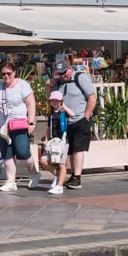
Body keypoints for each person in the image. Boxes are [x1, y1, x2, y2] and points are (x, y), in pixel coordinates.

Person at [0, 62, 39, 193]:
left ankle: (33, 172)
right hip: (3, 125)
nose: (6, 76)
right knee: (7, 154)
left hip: (19, 124)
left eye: (8, 73)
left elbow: (31, 104)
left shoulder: (23, 85)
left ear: (14, 72)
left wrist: (31, 122)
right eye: (3, 74)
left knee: (23, 153)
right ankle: (11, 181)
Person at [50, 59, 97, 189]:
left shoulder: (80, 77)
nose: (63, 75)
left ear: (70, 68)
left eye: (64, 72)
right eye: (60, 74)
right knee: (70, 150)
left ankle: (77, 177)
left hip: (80, 118)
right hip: (65, 120)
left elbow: (92, 96)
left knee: (78, 148)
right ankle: (73, 176)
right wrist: (49, 85)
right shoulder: (59, 82)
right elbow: (51, 99)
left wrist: (86, 116)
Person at [39, 90, 73, 195]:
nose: (55, 103)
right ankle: (57, 174)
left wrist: (65, 107)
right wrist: (46, 139)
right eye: (53, 101)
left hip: (62, 141)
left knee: (62, 163)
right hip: (53, 141)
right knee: (43, 160)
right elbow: (49, 127)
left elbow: (73, 115)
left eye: (57, 101)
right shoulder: (51, 114)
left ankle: (59, 186)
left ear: (61, 101)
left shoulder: (64, 113)